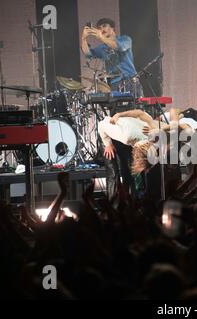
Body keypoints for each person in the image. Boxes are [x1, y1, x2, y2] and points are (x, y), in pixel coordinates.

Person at [81, 18, 143, 198]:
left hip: (130, 84)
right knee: (117, 124)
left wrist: (99, 35)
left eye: (105, 27)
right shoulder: (102, 48)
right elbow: (87, 54)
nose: (103, 30)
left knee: (132, 123)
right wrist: (84, 38)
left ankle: (139, 181)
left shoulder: (125, 39)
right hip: (114, 87)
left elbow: (116, 46)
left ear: (113, 28)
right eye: (100, 28)